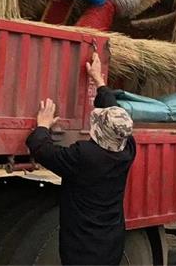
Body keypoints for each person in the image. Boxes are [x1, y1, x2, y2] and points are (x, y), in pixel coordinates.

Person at [26, 53, 136, 265]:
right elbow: (115, 114)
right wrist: (98, 79)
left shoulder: (85, 156)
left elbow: (42, 150)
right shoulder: (128, 149)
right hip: (111, 244)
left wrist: (43, 125)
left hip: (82, 250)